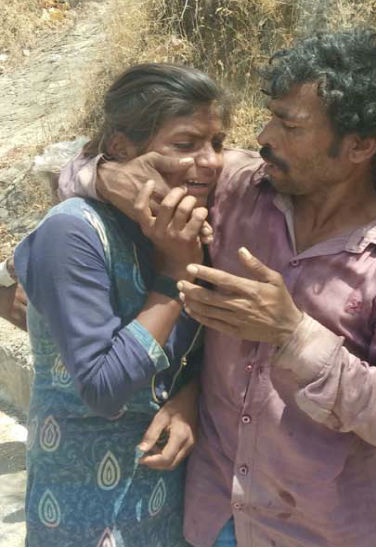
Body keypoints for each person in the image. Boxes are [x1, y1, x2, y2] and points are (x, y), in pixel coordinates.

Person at [58, 28, 376, 546]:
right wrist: (110, 177)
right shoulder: (237, 186)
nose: (265, 135)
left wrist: (293, 334)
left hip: (322, 531)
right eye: (272, 116)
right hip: (213, 516)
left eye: (290, 125)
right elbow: (69, 169)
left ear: (360, 145)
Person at [15, 62, 230, 546]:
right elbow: (103, 386)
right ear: (120, 148)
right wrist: (173, 274)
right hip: (82, 506)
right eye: (185, 144)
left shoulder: (193, 224)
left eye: (217, 143)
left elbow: (197, 355)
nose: (211, 161)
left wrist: (188, 400)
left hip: (168, 499)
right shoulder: (74, 231)